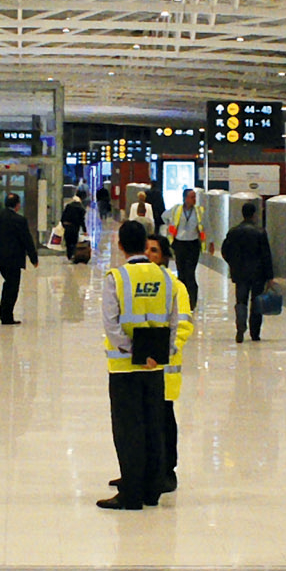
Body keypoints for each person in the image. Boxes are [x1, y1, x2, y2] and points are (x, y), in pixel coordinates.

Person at [97, 219, 182, 511]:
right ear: (144, 245)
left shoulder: (116, 278)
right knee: (153, 426)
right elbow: (174, 320)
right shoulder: (166, 277)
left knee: (128, 429)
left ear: (120, 246)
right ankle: (151, 491)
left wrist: (134, 351)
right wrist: (160, 353)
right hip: (155, 366)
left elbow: (111, 323)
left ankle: (131, 493)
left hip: (125, 368)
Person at [140, 234, 195, 500]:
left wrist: (165, 351)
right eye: (146, 250)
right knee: (139, 421)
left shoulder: (175, 286)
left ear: (163, 256)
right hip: (138, 365)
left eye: (155, 250)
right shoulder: (134, 283)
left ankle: (167, 471)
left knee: (163, 420)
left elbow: (183, 324)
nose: (149, 254)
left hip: (163, 367)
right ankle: (140, 469)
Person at [0, 193, 39, 325]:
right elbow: (27, 240)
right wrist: (33, 258)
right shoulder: (20, 220)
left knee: (9, 284)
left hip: (0, 258)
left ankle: (4, 313)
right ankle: (5, 315)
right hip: (14, 259)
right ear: (17, 205)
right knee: (12, 286)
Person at [220, 200, 275, 343]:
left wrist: (233, 264)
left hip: (240, 273)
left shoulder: (233, 232)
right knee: (256, 302)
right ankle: (255, 333)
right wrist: (270, 276)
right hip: (258, 274)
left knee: (241, 301)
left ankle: (240, 327)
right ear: (254, 215)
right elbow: (266, 255)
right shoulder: (260, 232)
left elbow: (225, 251)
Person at [169, 186, 205, 291]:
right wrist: (171, 236)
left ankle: (192, 300)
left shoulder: (199, 211)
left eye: (195, 197)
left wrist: (208, 241)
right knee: (181, 273)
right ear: (185, 198)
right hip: (179, 244)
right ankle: (181, 296)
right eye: (192, 197)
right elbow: (169, 221)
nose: (194, 200)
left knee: (190, 273)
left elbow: (205, 226)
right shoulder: (176, 210)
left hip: (193, 244)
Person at [60, 193, 89, 263]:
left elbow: (63, 218)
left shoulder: (68, 206)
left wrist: (63, 225)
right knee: (74, 241)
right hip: (75, 227)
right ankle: (73, 255)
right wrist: (85, 230)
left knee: (68, 242)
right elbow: (82, 220)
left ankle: (69, 255)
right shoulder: (81, 208)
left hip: (67, 226)